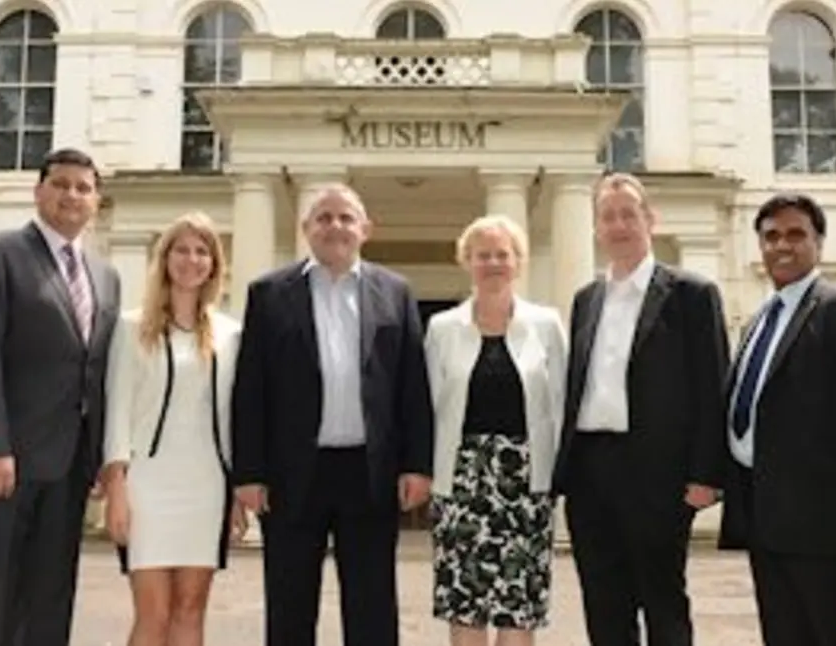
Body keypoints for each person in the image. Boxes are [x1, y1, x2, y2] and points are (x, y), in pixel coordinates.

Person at [232, 182, 435, 646]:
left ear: (365, 229)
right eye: (323, 217)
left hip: (369, 472)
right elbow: (251, 388)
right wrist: (249, 472)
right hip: (291, 473)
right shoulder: (269, 293)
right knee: (289, 604)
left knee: (371, 606)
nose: (335, 226)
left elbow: (412, 387)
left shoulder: (395, 292)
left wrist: (417, 464)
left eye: (345, 218)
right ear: (306, 229)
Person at [0, 148, 122, 646]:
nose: (72, 195)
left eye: (83, 187)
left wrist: (98, 460)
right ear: (39, 190)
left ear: (96, 200)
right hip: (3, 466)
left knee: (50, 603)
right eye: (61, 184)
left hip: (68, 469)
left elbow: (96, 371)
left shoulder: (104, 276)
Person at [551, 172, 729, 646]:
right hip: (590, 471)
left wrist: (706, 475)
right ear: (596, 228)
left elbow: (713, 388)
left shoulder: (691, 294)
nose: (619, 225)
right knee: (604, 604)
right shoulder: (586, 299)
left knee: (663, 600)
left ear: (650, 219)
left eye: (629, 214)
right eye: (608, 217)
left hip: (659, 474)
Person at [718, 193, 836, 646]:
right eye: (771, 236)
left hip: (825, 521)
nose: (783, 245)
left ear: (818, 242)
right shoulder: (759, 321)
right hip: (764, 517)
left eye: (796, 234)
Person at [100, 211, 247, 646]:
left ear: (214, 265)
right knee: (154, 613)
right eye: (182, 249)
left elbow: (233, 419)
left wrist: (237, 492)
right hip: (147, 486)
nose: (192, 259)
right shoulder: (131, 328)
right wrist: (117, 490)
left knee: (190, 610)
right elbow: (117, 412)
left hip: (206, 486)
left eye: (202, 251)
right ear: (164, 258)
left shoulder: (231, 333)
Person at [424, 215, 567, 646]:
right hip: (462, 481)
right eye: (482, 254)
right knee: (465, 604)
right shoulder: (442, 328)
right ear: (466, 261)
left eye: (502, 254)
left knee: (517, 607)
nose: (493, 263)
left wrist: (561, 475)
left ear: (518, 262)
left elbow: (560, 402)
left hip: (526, 484)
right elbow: (430, 407)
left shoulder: (546, 324)